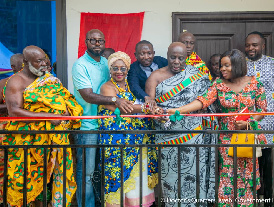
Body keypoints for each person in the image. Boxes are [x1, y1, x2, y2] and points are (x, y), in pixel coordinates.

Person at [167, 49, 267, 206]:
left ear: (238, 65)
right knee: (227, 179)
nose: (222, 69)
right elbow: (202, 101)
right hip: (226, 139)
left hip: (247, 137)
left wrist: (248, 122)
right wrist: (179, 110)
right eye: (221, 66)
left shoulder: (255, 84)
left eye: (227, 65)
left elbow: (262, 111)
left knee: (246, 179)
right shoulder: (218, 84)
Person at [2, 45, 83, 206]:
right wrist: (48, 117)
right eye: (38, 61)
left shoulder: (47, 79)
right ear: (26, 62)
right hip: (27, 142)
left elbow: (62, 99)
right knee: (24, 182)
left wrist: (66, 110)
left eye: (44, 59)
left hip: (53, 141)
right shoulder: (16, 81)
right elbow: (14, 112)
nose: (44, 63)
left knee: (50, 183)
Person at [145, 42, 217, 207]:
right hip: (167, 138)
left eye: (181, 58)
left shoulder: (197, 75)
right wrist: (158, 115)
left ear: (187, 58)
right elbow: (151, 106)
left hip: (194, 137)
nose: (176, 61)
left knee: (194, 178)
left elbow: (206, 104)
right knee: (171, 180)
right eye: (173, 57)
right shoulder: (155, 76)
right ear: (167, 56)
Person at [72, 29, 133, 207]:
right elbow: (88, 95)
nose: (97, 43)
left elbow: (117, 84)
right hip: (88, 126)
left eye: (100, 41)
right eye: (93, 40)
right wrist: (116, 100)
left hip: (108, 127)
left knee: (104, 170)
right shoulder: (80, 65)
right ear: (86, 42)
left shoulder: (107, 63)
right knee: (87, 173)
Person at [98, 51, 158, 206]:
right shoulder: (106, 88)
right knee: (118, 175)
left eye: (123, 68)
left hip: (136, 139)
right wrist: (148, 108)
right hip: (117, 142)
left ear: (128, 70)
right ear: (109, 70)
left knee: (139, 176)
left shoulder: (131, 87)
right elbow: (126, 109)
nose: (119, 72)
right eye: (115, 68)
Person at [245, 31, 274, 203]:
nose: (250, 48)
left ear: (262, 46)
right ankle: (251, 201)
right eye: (248, 45)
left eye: (254, 45)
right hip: (249, 124)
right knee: (249, 165)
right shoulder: (240, 65)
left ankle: (269, 202)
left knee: (269, 166)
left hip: (273, 123)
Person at [0, 53, 24, 204]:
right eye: (21, 67)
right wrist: (12, 107)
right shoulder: (4, 83)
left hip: (27, 133)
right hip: (6, 132)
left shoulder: (35, 83)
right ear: (13, 68)